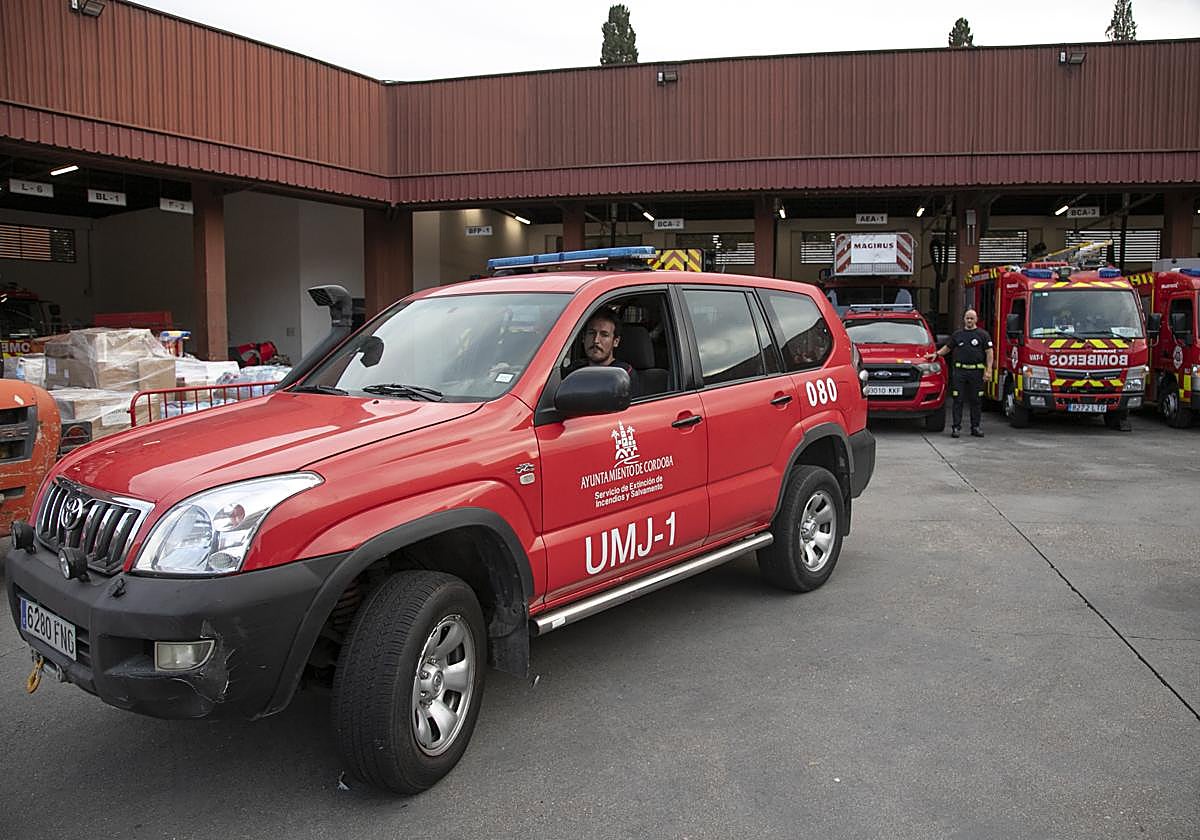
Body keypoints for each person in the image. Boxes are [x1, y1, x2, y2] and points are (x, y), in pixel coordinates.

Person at [926, 309, 993, 439]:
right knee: (958, 400)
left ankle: (976, 427)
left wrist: (989, 370)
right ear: (964, 319)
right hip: (960, 372)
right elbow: (948, 347)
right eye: (967, 318)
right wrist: (936, 354)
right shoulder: (958, 334)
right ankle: (956, 428)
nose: (969, 321)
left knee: (976, 400)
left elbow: (989, 353)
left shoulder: (983, 335)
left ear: (976, 320)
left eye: (972, 318)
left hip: (976, 372)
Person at [565, 308, 639, 395]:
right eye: (591, 333)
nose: (596, 340)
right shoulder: (574, 371)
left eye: (604, 335)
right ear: (584, 338)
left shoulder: (624, 375)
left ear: (616, 341)